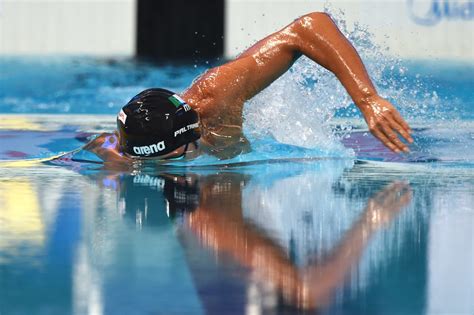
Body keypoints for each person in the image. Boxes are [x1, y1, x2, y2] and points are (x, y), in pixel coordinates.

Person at [84, 12, 413, 163]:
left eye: (173, 159)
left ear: (190, 136)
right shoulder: (120, 152)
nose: (171, 169)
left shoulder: (215, 96)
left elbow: (310, 27)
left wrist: (368, 100)